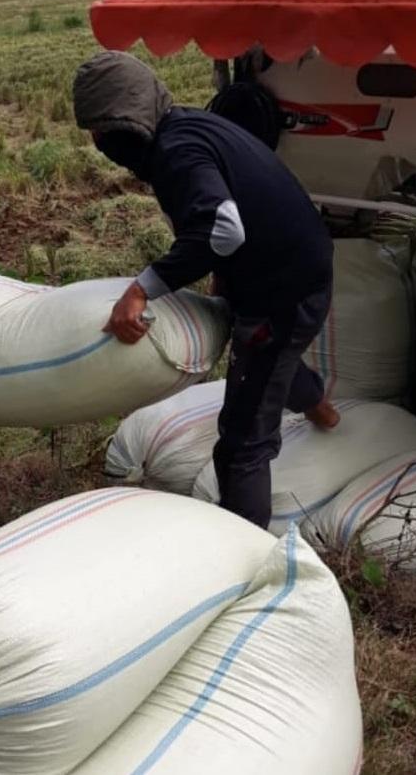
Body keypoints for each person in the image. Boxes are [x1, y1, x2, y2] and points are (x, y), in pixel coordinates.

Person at [73, 51, 340, 531]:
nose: (98, 142)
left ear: (127, 121)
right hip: (293, 265)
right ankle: (321, 409)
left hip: (283, 286)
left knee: (240, 442)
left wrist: (141, 290)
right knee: (271, 357)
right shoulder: (185, 126)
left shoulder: (177, 153)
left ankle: (243, 553)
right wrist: (226, 274)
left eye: (102, 130)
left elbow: (223, 229)